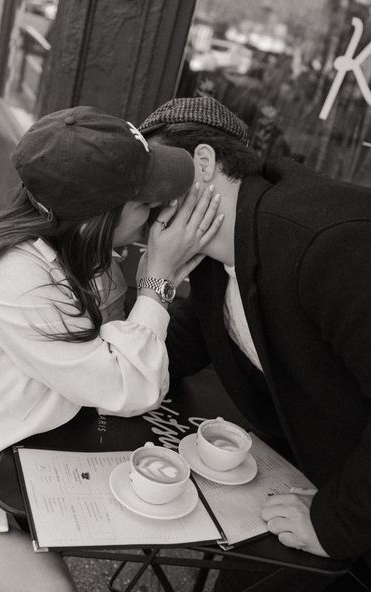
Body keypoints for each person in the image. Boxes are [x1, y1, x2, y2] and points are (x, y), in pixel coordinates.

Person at [0, 105, 224, 592]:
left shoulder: (67, 248)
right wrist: (158, 279)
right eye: (146, 203)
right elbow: (130, 385)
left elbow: (110, 346)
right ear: (97, 217)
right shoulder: (20, 276)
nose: (157, 213)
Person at [139, 97, 371, 591]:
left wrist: (336, 524)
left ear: (202, 165)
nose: (141, 210)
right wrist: (152, 283)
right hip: (306, 477)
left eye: (150, 186)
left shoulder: (326, 242)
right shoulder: (221, 252)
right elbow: (171, 353)